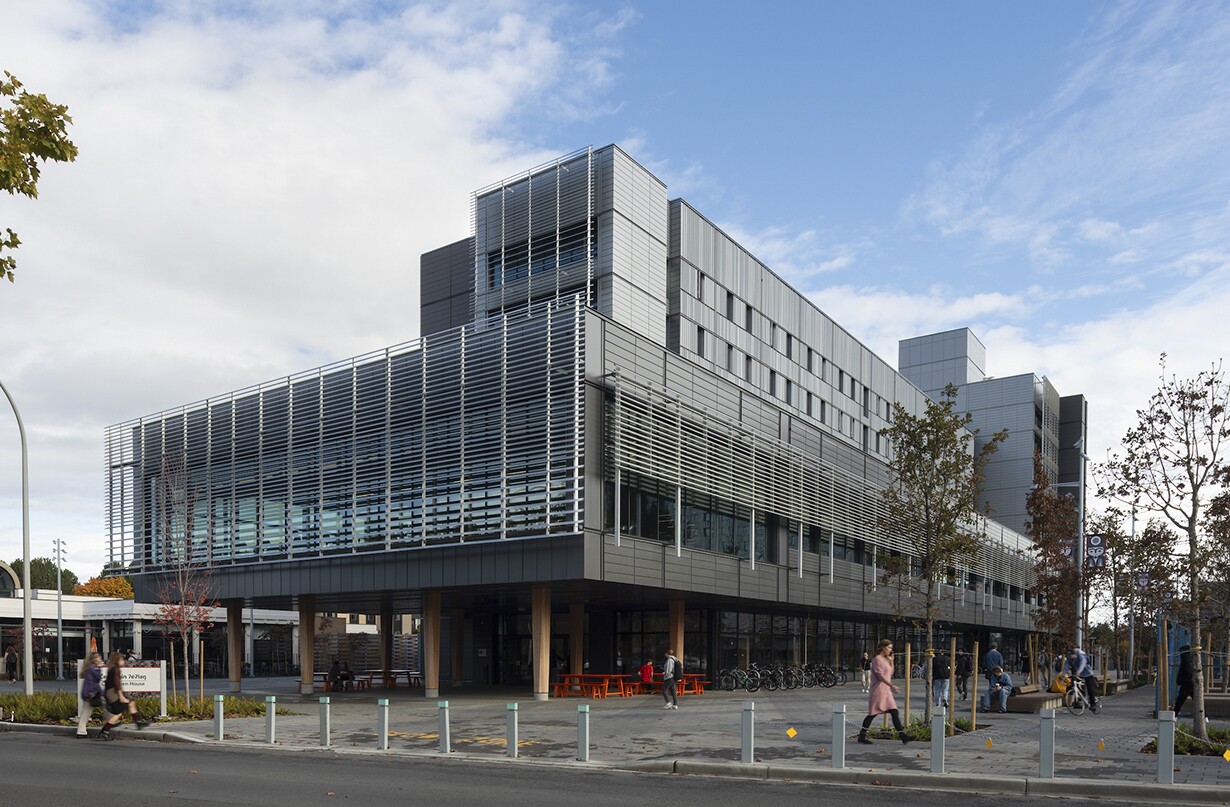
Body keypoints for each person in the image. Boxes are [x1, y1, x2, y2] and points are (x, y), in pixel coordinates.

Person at [857, 639, 913, 745]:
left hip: (886, 691)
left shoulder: (885, 659)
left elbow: (890, 673)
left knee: (894, 711)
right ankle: (862, 736)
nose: (890, 650)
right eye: (889, 648)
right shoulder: (877, 659)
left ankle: (903, 736)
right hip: (878, 691)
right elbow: (880, 676)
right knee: (872, 713)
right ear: (883, 647)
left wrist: (891, 661)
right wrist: (892, 685)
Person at [98, 651, 147, 740]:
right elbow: (117, 684)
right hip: (113, 694)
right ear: (117, 660)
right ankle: (104, 731)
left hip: (110, 694)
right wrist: (121, 696)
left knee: (130, 704)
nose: (124, 661)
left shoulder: (111, 668)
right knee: (118, 713)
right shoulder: (116, 669)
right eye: (122, 659)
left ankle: (138, 722)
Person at [77, 652, 105, 738]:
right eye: (99, 658)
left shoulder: (89, 668)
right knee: (86, 713)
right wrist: (100, 668)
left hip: (88, 692)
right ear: (94, 660)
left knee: (86, 712)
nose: (100, 660)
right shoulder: (93, 669)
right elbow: (97, 678)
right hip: (91, 693)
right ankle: (81, 731)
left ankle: (81, 730)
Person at [1062, 647, 1098, 711]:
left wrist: (1078, 672)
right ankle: (1078, 700)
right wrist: (1063, 675)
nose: (1069, 657)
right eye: (1068, 656)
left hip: (1087, 673)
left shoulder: (1081, 657)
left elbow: (1082, 664)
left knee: (1090, 688)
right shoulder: (1068, 660)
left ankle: (1093, 704)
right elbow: (1066, 667)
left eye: (1070, 655)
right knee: (1073, 685)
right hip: (1077, 674)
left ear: (1074, 654)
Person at [1173, 645, 1197, 715]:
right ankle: (1204, 716)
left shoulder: (1185, 660)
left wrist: (1180, 680)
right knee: (1196, 700)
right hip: (1190, 683)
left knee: (1180, 701)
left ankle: (1174, 715)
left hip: (1186, 684)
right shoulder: (1190, 660)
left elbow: (1184, 671)